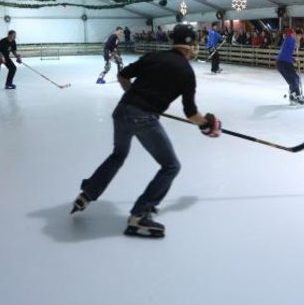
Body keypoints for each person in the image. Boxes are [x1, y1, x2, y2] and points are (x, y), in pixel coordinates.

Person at [71, 24, 221, 238]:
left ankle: (87, 193)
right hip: (143, 118)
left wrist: (136, 99)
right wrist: (205, 124)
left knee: (118, 155)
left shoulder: (155, 56)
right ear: (190, 45)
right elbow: (191, 113)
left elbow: (123, 76)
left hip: (122, 111)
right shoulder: (186, 71)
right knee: (171, 166)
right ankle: (139, 216)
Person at [277, 28, 304, 105]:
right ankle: (296, 96)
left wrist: (294, 60)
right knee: (293, 80)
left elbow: (287, 54)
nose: (300, 39)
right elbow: (290, 34)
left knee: (296, 78)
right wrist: (297, 41)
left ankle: (293, 94)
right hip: (283, 63)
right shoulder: (290, 39)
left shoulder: (291, 41)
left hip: (286, 63)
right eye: (300, 37)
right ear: (297, 35)